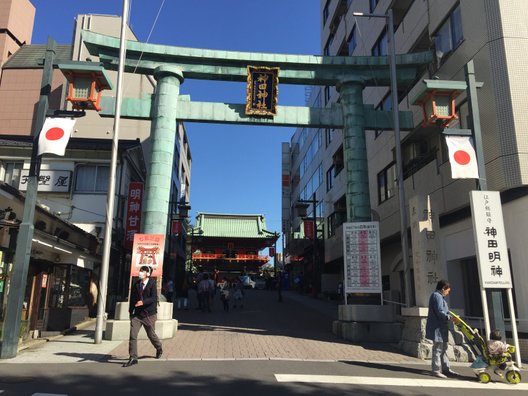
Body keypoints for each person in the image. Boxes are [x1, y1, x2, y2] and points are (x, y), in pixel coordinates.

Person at [123, 265, 163, 367]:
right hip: (137, 315)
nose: (140, 272)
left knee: (151, 335)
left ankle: (159, 347)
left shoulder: (152, 284)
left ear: (148, 274)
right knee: (133, 335)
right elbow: (132, 299)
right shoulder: (136, 284)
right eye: (140, 270)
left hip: (149, 315)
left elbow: (154, 298)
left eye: (143, 271)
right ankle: (133, 357)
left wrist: (143, 302)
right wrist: (130, 312)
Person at [425, 279, 458, 378]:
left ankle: (446, 368)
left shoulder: (439, 297)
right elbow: (440, 311)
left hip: (441, 327)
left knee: (443, 348)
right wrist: (450, 318)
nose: (448, 293)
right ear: (443, 288)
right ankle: (436, 370)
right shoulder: (437, 296)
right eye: (448, 291)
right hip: (438, 328)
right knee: (438, 349)